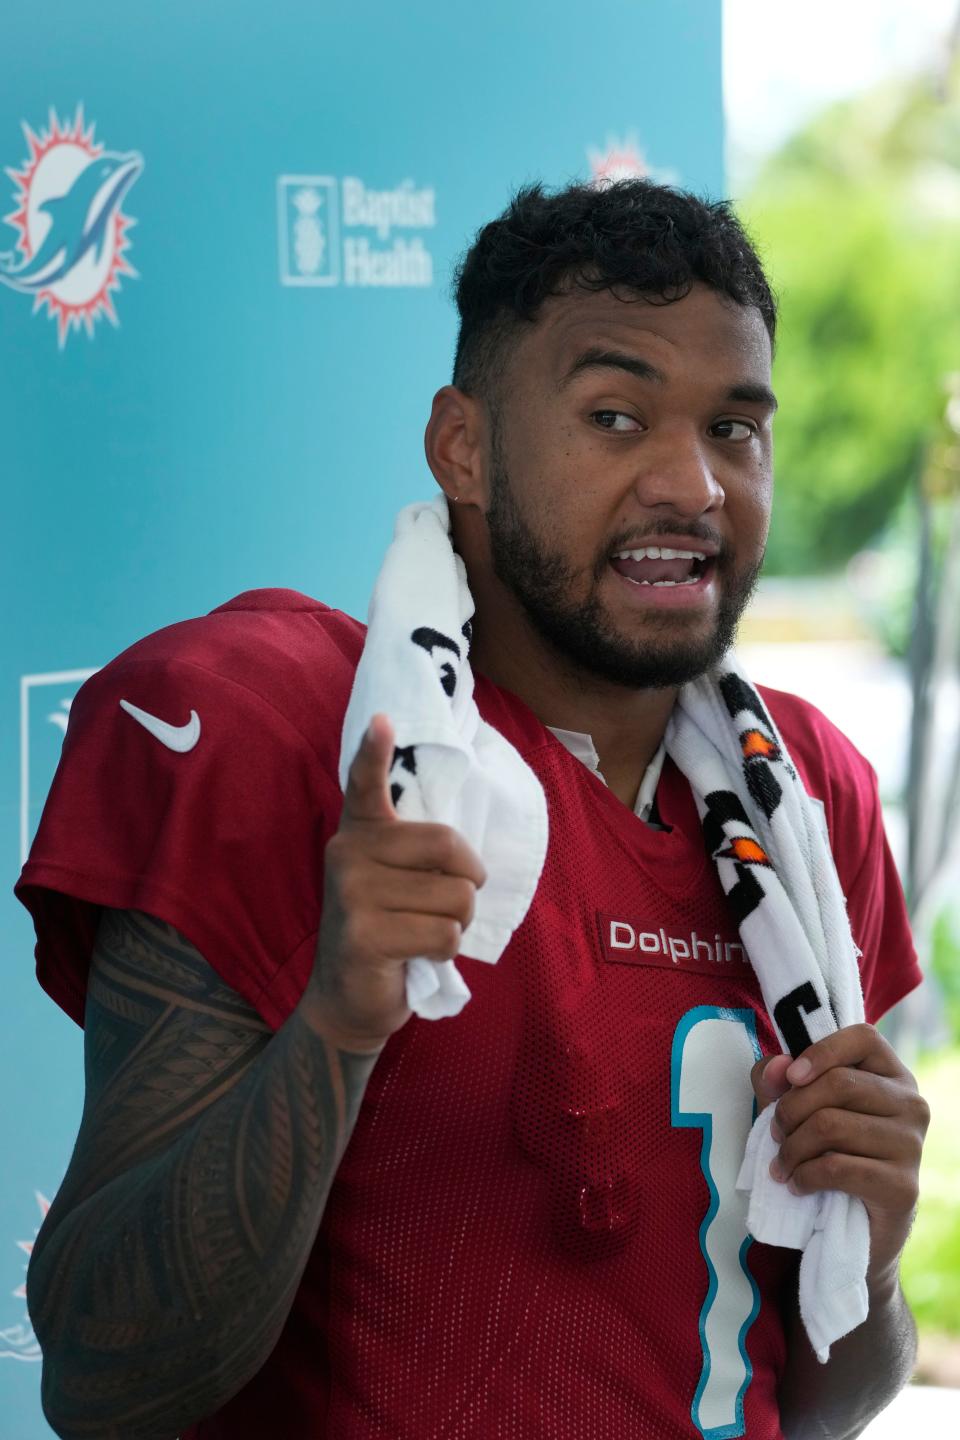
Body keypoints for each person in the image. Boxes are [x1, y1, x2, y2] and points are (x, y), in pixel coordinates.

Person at [17, 180, 929, 1440]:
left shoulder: (800, 798)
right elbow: (105, 1389)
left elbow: (825, 1397)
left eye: (735, 429)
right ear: (463, 446)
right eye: (617, 416)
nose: (697, 484)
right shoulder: (304, 740)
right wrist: (338, 1020)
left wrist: (871, 1258)